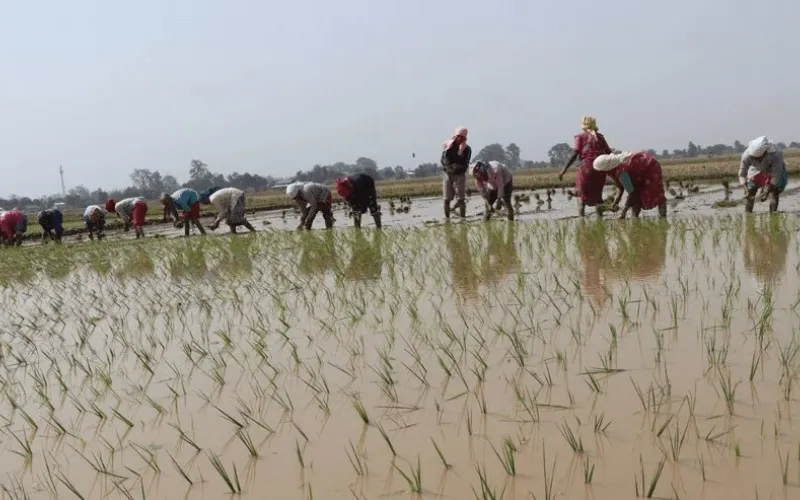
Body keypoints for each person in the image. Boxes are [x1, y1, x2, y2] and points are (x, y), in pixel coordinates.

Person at [558, 116, 613, 216]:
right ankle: (600, 222)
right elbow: (609, 153)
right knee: (598, 197)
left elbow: (574, 154)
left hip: (586, 169)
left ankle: (582, 222)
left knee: (581, 198)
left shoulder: (580, 137)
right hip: (600, 170)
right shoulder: (600, 137)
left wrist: (563, 170)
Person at [593, 151, 667, 219]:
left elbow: (631, 192)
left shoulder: (621, 173)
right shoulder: (613, 171)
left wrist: (624, 210)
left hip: (650, 167)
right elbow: (620, 188)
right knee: (636, 197)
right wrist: (616, 203)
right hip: (638, 173)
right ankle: (635, 218)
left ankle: (663, 218)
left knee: (656, 194)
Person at [738, 136, 788, 213]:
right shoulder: (746, 156)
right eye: (755, 158)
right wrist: (745, 189)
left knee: (774, 192)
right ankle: (748, 215)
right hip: (756, 170)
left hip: (773, 171)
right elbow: (742, 174)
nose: (757, 159)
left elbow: (776, 175)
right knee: (750, 191)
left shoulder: (776, 154)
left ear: (765, 152)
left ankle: (773, 215)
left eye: (759, 158)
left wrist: (767, 190)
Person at [441, 127, 472, 219]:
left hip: (460, 174)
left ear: (465, 138)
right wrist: (449, 166)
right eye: (458, 136)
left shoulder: (467, 149)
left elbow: (465, 162)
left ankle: (463, 219)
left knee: (461, 198)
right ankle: (447, 219)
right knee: (446, 199)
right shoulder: (448, 146)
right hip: (448, 174)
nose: (460, 139)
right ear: (455, 136)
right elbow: (443, 159)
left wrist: (459, 155)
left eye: (462, 137)